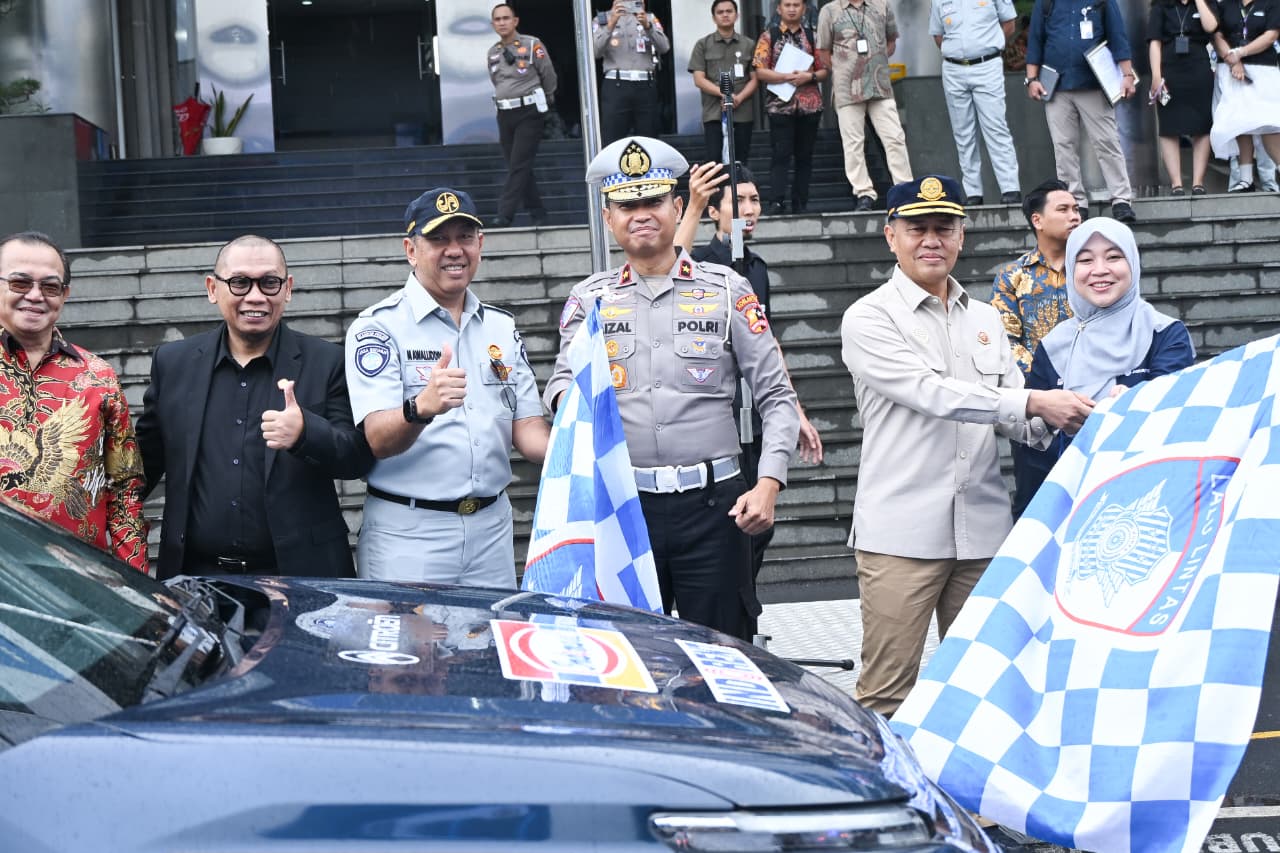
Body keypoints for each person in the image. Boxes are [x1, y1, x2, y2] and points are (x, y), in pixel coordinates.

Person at [840, 175, 1096, 716]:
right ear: (891, 236)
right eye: (917, 229)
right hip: (902, 536)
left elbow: (1012, 414)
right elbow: (934, 395)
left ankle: (974, 806)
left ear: (962, 236)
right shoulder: (868, 317)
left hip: (981, 532)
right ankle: (893, 802)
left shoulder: (983, 319)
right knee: (888, 695)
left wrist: (1080, 416)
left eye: (944, 228)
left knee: (985, 692)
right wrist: (1035, 404)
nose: (931, 240)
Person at [546, 136, 800, 641]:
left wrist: (768, 483)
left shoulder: (728, 290)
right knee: (628, 661)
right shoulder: (589, 300)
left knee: (724, 659)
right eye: (627, 204)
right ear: (608, 216)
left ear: (678, 206)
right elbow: (559, 388)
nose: (641, 214)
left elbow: (777, 397)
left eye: (653, 201)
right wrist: (576, 408)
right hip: (622, 509)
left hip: (716, 508)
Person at [137, 235, 373, 580]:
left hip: (301, 577)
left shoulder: (328, 362)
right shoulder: (174, 364)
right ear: (212, 288)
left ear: (288, 289)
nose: (256, 296)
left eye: (269, 283)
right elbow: (142, 465)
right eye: (239, 282)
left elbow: (357, 457)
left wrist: (307, 432)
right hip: (197, 578)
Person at [345, 188, 549, 587]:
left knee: (490, 646)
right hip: (410, 533)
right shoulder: (378, 328)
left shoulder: (500, 327)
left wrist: (583, 445)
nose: (454, 250)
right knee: (409, 649)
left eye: (464, 238)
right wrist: (420, 408)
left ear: (480, 244)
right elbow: (376, 440)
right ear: (410, 249)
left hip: (491, 529)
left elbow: (527, 429)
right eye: (438, 239)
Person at [675, 160, 825, 592]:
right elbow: (672, 267)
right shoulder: (700, 261)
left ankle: (747, 610)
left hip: (756, 413)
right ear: (714, 212)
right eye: (738, 201)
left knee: (761, 522)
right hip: (714, 414)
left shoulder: (755, 267)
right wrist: (693, 204)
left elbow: (768, 345)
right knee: (730, 526)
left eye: (755, 199)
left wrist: (794, 407)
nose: (749, 208)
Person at [1013, 217, 1195, 514]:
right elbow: (1031, 445)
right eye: (1085, 260)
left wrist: (1137, 404)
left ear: (1133, 263)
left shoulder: (1163, 333)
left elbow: (1175, 413)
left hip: (1146, 502)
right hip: (1066, 506)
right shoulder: (1055, 344)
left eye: (1114, 257)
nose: (1100, 270)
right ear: (1072, 270)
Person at [0, 231, 147, 572]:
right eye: (21, 283)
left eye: (50, 286)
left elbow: (125, 491)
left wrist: (136, 582)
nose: (35, 296)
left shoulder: (98, 377)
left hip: (77, 582)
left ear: (64, 295)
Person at [1025, 0, 1140, 223]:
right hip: (1056, 85)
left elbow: (1118, 36)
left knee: (1107, 142)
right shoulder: (1046, 2)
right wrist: (1031, 79)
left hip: (1093, 83)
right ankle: (1074, 203)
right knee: (1063, 146)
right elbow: (1036, 39)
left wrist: (1127, 76)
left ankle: (1121, 200)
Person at [816, 0, 914, 212]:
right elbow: (823, 52)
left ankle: (905, 190)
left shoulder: (881, 6)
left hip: (880, 86)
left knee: (894, 137)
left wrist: (874, 61)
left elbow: (891, 41)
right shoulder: (830, 11)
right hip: (846, 88)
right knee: (853, 143)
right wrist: (847, 68)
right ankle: (864, 193)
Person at [929, 0, 1023, 205]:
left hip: (986, 64)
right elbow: (938, 35)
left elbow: (1009, 24)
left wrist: (986, 45)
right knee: (963, 133)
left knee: (996, 128)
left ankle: (1010, 189)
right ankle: (973, 193)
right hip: (954, 68)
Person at [990, 178, 1081, 375]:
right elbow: (1006, 340)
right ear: (1037, 220)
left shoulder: (1092, 269)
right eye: (1063, 209)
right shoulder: (1012, 275)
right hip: (1036, 388)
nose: (1074, 217)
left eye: (1076, 209)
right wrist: (1044, 378)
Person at [753, 0, 829, 215]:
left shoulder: (813, 35)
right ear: (779, 9)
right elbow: (760, 70)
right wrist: (786, 76)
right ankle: (776, 201)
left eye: (796, 5)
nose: (792, 9)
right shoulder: (769, 35)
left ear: (804, 8)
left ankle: (800, 202)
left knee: (805, 156)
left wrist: (809, 76)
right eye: (787, 5)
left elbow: (824, 70)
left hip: (810, 106)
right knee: (780, 155)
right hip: (780, 107)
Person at [488, 3, 558, 228]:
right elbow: (496, 81)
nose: (502, 23)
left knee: (518, 164)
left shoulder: (531, 44)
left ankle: (504, 214)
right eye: (497, 19)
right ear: (493, 24)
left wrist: (546, 99)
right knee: (518, 165)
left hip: (529, 111)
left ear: (515, 21)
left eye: (506, 18)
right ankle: (538, 212)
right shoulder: (493, 52)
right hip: (504, 113)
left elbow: (548, 74)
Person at [1147, 0, 1219, 195]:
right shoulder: (1161, 6)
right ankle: (1176, 183)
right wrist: (1156, 74)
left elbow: (1211, 26)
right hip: (1169, 68)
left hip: (1199, 68)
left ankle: (1198, 182)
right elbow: (1155, 42)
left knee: (1202, 125)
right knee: (1169, 125)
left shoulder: (1205, 4)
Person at [1209, 0, 1280, 191]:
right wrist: (1233, 61)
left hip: (1263, 70)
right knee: (1240, 123)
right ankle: (1245, 179)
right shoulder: (1227, 5)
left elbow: (1271, 35)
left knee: (1270, 124)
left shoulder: (1271, 4)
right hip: (1234, 72)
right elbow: (1217, 35)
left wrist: (1241, 52)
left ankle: (1275, 173)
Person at [689, 0, 760, 164]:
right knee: (713, 160)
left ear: (737, 15)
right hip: (714, 112)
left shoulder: (749, 44)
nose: (725, 15)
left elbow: (755, 79)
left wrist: (738, 98)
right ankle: (718, 191)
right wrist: (724, 95)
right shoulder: (703, 45)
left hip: (741, 112)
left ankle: (740, 190)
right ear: (714, 18)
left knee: (740, 160)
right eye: (720, 12)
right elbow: (698, 79)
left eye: (729, 11)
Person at [593, 0, 670, 144]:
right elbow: (595, 52)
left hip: (645, 84)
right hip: (616, 84)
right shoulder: (602, 19)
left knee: (649, 137)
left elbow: (664, 47)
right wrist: (611, 24)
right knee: (613, 137)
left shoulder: (649, 18)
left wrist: (648, 27)